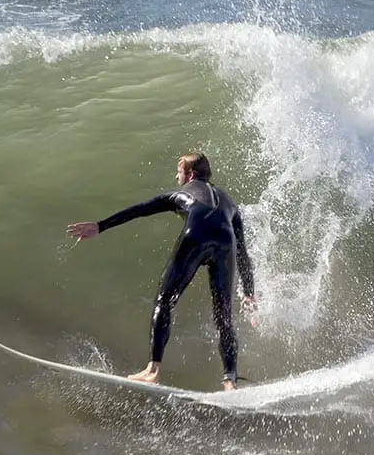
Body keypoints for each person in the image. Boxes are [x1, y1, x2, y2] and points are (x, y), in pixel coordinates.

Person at [66, 153, 256, 392]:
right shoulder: (229, 202)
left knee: (164, 301)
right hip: (226, 242)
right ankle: (230, 379)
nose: (176, 176)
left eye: (179, 171)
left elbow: (142, 209)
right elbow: (243, 253)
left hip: (196, 236)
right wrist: (249, 292)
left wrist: (100, 225)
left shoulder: (181, 193)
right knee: (224, 318)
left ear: (191, 174)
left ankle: (153, 371)